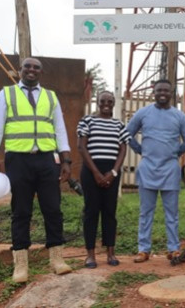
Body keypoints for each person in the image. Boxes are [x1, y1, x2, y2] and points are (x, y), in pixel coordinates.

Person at [0, 57, 73, 283]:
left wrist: (66, 160)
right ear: (19, 71)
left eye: (36, 68)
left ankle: (57, 259)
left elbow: (59, 129)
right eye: (27, 67)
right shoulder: (7, 94)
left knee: (52, 208)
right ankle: (21, 264)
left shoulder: (51, 97)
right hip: (18, 161)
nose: (31, 70)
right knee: (21, 211)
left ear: (41, 72)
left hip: (46, 160)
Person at [126, 79, 185, 266]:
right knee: (146, 212)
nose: (162, 93)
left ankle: (173, 248)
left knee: (172, 213)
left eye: (166, 90)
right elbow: (127, 134)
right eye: (158, 90)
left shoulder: (179, 116)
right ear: (153, 92)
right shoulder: (143, 113)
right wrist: (140, 150)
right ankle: (143, 249)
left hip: (170, 169)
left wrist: (175, 153)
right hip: (147, 169)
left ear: (172, 93)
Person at [77, 91, 130, 268]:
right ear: (97, 102)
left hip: (111, 173)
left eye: (109, 101)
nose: (106, 104)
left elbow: (123, 149)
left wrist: (113, 172)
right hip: (91, 171)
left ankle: (110, 253)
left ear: (114, 103)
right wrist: (96, 173)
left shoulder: (119, 124)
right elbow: (82, 147)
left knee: (109, 212)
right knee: (91, 212)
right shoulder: (87, 121)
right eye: (102, 101)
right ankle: (90, 255)